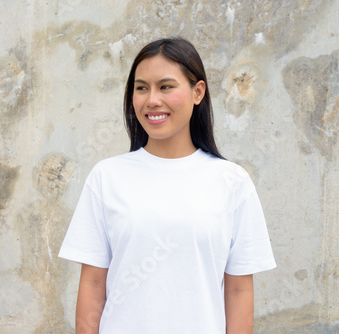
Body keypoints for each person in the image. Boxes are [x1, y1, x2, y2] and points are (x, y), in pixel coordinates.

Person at [59, 37, 276, 334]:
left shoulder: (232, 182)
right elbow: (93, 283)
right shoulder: (107, 177)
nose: (152, 100)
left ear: (198, 91)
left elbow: (239, 290)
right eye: (141, 88)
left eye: (166, 86)